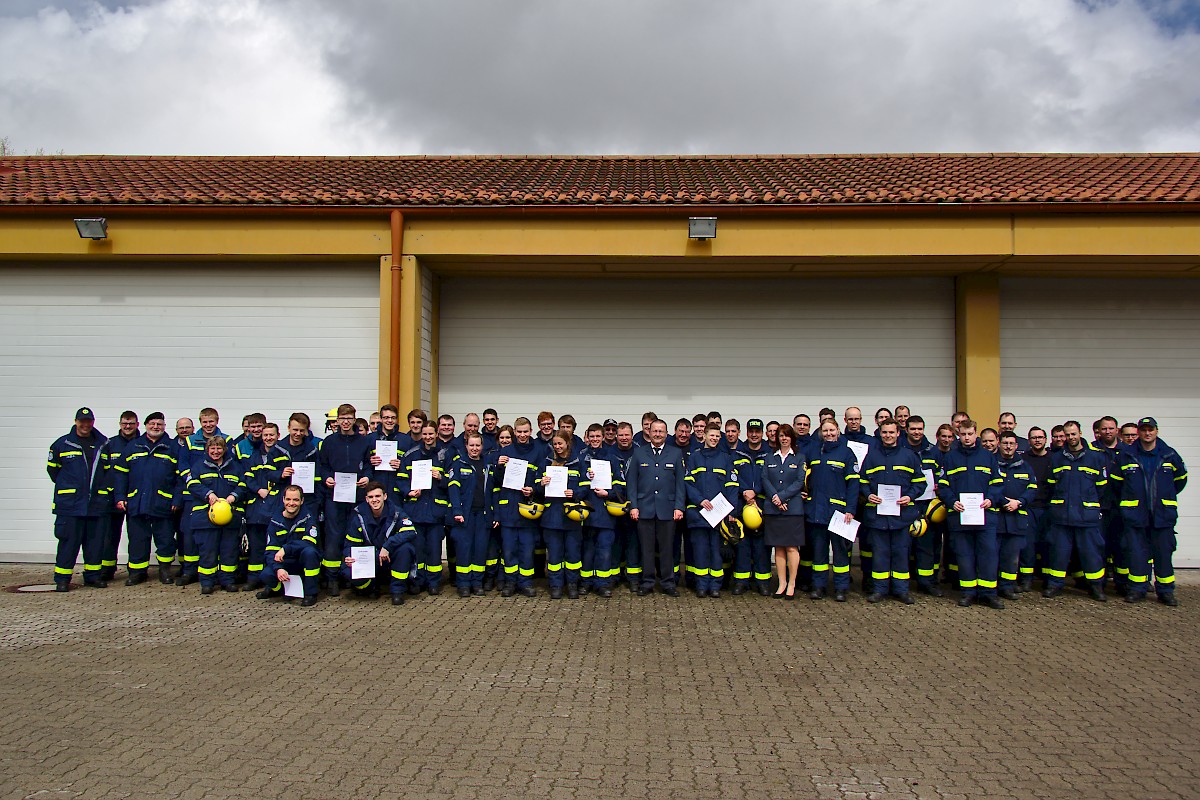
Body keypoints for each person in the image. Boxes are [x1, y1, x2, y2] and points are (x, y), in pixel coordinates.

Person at [1112, 417, 1188, 606]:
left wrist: (1163, 499)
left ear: (1156, 431)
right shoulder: (1126, 455)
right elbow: (1115, 484)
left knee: (1163, 554)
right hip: (1136, 515)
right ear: (1138, 432)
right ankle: (1137, 589)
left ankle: (1166, 591)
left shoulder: (1169, 455)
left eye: (1150, 430)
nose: (1147, 433)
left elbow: (1180, 480)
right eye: (1144, 430)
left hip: (1162, 516)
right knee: (1137, 554)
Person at [938, 419, 1004, 609]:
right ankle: (968, 592)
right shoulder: (950, 458)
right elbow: (943, 486)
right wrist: (952, 502)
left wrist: (991, 499)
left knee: (988, 555)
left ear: (976, 434)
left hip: (985, 516)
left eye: (970, 434)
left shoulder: (988, 457)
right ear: (958, 434)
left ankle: (988, 593)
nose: (967, 438)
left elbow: (998, 483)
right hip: (960, 516)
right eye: (963, 434)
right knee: (964, 556)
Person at [860, 418, 925, 605]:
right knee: (880, 553)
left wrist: (910, 497)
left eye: (891, 432)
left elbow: (920, 482)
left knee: (901, 553)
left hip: (901, 515)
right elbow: (862, 480)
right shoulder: (871, 456)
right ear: (880, 433)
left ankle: (901, 590)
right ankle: (880, 589)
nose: (888, 436)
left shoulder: (909, 456)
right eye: (884, 432)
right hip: (878, 515)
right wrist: (868, 495)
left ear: (898, 433)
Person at [113, 412, 181, 586]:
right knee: (137, 539)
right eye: (152, 423)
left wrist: (177, 499)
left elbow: (181, 477)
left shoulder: (173, 448)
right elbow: (120, 474)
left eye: (159, 424)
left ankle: (165, 570)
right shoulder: (133, 446)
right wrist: (120, 496)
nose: (156, 427)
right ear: (145, 425)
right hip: (137, 502)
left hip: (163, 503)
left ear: (164, 427)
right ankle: (137, 572)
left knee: (165, 539)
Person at [1043, 421, 1108, 602]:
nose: (1071, 438)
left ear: (1080, 433)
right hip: (1062, 515)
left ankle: (1096, 586)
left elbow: (1102, 488)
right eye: (1067, 435)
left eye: (1073, 434)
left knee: (1091, 553)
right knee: (1059, 552)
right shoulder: (1056, 458)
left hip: (1086, 516)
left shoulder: (1095, 458)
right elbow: (1051, 486)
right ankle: (1055, 584)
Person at [46, 407, 110, 590]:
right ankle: (62, 579)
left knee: (95, 543)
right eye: (82, 421)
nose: (85, 425)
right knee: (68, 542)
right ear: (76, 422)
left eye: (89, 421)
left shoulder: (103, 443)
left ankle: (92, 576)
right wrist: (70, 488)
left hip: (96, 504)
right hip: (70, 505)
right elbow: (53, 471)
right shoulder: (61, 444)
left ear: (93, 422)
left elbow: (108, 472)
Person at [626, 419, 685, 596]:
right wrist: (634, 506)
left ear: (667, 434)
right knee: (647, 548)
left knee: (667, 548)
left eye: (661, 431)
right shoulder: (638, 453)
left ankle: (668, 583)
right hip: (644, 509)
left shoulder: (675, 454)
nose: (658, 434)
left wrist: (679, 506)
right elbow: (632, 484)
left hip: (667, 510)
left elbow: (680, 484)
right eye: (655, 431)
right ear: (649, 433)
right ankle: (648, 582)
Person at [317, 403, 371, 595]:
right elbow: (322, 466)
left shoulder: (364, 442)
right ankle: (332, 577)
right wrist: (326, 478)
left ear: (354, 420)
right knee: (334, 535)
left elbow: (368, 466)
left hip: (357, 496)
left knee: (355, 535)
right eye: (342, 419)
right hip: (335, 497)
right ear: (337, 421)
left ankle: (351, 575)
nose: (346, 422)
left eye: (349, 419)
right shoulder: (328, 442)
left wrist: (367, 477)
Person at [184, 435, 247, 594]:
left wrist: (234, 496)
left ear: (224, 449)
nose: (216, 451)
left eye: (219, 448)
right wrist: (209, 494)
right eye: (212, 448)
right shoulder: (199, 466)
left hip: (230, 518)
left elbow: (243, 484)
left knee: (229, 550)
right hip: (205, 518)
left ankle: (227, 580)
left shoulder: (235, 467)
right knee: (208, 551)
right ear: (207, 449)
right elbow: (191, 484)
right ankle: (207, 582)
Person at [805, 419, 859, 601]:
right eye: (825, 430)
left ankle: (841, 588)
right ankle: (818, 586)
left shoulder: (847, 453)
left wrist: (851, 509)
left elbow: (853, 484)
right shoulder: (813, 451)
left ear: (838, 431)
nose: (828, 434)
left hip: (839, 513)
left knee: (840, 552)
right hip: (816, 511)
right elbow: (802, 477)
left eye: (832, 430)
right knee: (818, 552)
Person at [683, 425, 738, 598]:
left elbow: (732, 486)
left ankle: (715, 586)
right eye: (711, 435)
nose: (714, 438)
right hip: (699, 514)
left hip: (719, 516)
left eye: (717, 436)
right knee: (700, 552)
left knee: (716, 552)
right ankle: (701, 585)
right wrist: (699, 499)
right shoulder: (694, 457)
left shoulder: (725, 458)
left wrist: (731, 510)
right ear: (704, 436)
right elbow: (687, 483)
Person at [343, 481, 417, 605]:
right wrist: (348, 557)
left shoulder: (396, 512)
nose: (374, 500)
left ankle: (397, 591)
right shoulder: (358, 516)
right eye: (371, 497)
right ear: (366, 499)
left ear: (385, 496)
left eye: (378, 496)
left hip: (390, 558)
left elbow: (410, 531)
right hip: (370, 559)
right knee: (346, 570)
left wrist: (387, 546)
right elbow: (349, 543)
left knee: (406, 549)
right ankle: (370, 588)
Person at [397, 422, 450, 595]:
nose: (428, 437)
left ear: (436, 434)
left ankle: (434, 581)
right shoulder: (411, 455)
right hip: (416, 509)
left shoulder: (445, 455)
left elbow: (454, 481)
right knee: (418, 549)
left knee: (434, 550)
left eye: (431, 434)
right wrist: (409, 492)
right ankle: (418, 580)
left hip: (436, 511)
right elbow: (401, 479)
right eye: (425, 434)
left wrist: (441, 478)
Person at [536, 430, 590, 599]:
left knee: (573, 554)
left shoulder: (578, 462)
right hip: (551, 516)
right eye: (555, 444)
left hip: (571, 516)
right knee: (554, 554)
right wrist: (541, 483)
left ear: (568, 443)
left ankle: (572, 584)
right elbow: (536, 487)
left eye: (560, 443)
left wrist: (575, 493)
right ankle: (556, 585)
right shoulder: (546, 462)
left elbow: (586, 486)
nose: (558, 447)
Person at [492, 417, 540, 597]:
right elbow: (496, 482)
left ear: (530, 431)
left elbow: (540, 478)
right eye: (519, 432)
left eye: (525, 431)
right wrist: (499, 466)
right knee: (509, 548)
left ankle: (526, 582)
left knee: (527, 549)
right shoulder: (506, 451)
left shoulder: (538, 451)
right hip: (509, 509)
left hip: (527, 509)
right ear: (514, 431)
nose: (522, 435)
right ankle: (510, 582)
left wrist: (533, 489)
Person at [241, 421, 290, 591]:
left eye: (271, 435)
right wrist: (258, 489)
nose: (268, 438)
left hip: (275, 506)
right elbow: (247, 478)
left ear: (278, 436)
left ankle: (271, 580)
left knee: (273, 545)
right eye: (265, 435)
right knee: (256, 545)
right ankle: (254, 578)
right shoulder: (253, 456)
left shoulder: (284, 455)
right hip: (256, 506)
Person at [760, 423, 806, 599]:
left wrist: (783, 497)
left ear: (792, 438)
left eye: (787, 435)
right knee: (778, 547)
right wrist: (775, 498)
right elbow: (765, 478)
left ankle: (792, 583)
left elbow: (799, 481)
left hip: (792, 508)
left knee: (791, 548)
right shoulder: (769, 457)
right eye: (781, 435)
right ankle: (781, 583)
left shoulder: (799, 458)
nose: (784, 438)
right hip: (773, 508)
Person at [256, 484, 321, 606]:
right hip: (284, 564)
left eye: (296, 500)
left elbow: (308, 543)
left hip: (302, 563)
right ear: (283, 500)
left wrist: (286, 548)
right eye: (288, 499)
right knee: (265, 575)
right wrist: (278, 568)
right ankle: (282, 591)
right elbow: (270, 551)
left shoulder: (309, 519)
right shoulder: (275, 521)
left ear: (302, 501)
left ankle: (310, 593)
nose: (291, 503)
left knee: (310, 552)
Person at [579, 424, 623, 597]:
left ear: (603, 437)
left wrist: (609, 493)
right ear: (587, 437)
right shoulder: (581, 457)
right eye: (592, 437)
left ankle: (603, 584)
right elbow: (575, 484)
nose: (595, 440)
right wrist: (585, 478)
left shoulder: (612, 458)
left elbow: (621, 484)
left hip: (606, 513)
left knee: (605, 550)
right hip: (588, 512)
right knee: (588, 550)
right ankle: (586, 582)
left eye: (598, 436)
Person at [447, 432, 491, 597]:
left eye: (477, 445)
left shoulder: (488, 465)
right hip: (464, 515)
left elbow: (492, 492)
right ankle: (463, 584)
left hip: (482, 514)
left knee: (480, 549)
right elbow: (453, 489)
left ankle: (477, 583)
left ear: (482, 446)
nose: (474, 448)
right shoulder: (458, 464)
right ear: (466, 446)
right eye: (471, 445)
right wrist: (457, 511)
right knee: (464, 550)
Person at [904, 415, 943, 596]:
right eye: (913, 429)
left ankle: (926, 582)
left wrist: (939, 484)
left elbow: (942, 474)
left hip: (927, 504)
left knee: (926, 546)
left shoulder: (933, 451)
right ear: (906, 430)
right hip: (905, 504)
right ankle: (902, 583)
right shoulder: (901, 450)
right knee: (904, 546)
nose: (917, 432)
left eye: (920, 429)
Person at [98, 410, 140, 581]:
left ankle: (136, 570)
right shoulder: (110, 444)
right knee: (110, 535)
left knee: (136, 535)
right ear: (120, 424)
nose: (128, 426)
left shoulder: (142, 443)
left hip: (135, 497)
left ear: (137, 424)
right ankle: (107, 569)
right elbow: (101, 471)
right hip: (113, 498)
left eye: (131, 423)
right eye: (125, 423)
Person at [995, 431, 1036, 600]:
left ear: (1017, 446)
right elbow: (989, 486)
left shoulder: (1025, 466)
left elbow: (1032, 489)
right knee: (993, 555)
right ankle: (993, 586)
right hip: (997, 518)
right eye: (1005, 443)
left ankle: (1007, 586)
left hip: (1016, 518)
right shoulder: (992, 464)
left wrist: (1019, 502)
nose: (1008, 446)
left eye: (1011, 443)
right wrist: (1003, 501)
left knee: (1011, 556)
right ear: (999, 443)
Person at [1018, 427, 1053, 591]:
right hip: (1029, 507)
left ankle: (1047, 579)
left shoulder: (1054, 459)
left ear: (1046, 439)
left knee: (1048, 544)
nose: (1037, 440)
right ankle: (1027, 578)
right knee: (1028, 545)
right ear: (1029, 440)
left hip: (1049, 507)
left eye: (1040, 437)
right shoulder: (1023, 460)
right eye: (1034, 438)